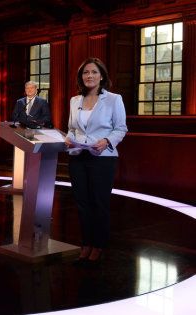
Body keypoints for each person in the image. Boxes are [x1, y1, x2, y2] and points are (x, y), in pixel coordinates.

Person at [65, 58, 127, 264]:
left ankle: (99, 245)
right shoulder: (75, 100)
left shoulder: (113, 99)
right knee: (82, 204)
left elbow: (120, 129)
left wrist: (107, 140)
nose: (89, 76)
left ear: (101, 76)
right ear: (81, 77)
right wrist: (68, 138)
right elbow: (72, 128)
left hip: (102, 158)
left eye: (93, 72)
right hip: (78, 157)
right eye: (85, 73)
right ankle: (86, 244)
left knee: (99, 204)